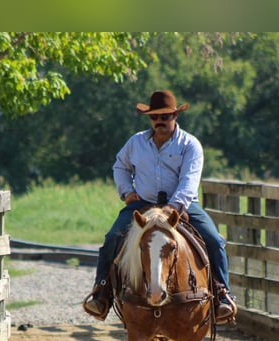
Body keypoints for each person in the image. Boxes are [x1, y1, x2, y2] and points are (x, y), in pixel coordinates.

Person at [82, 90, 237, 323]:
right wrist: (127, 192)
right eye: (154, 117)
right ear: (149, 119)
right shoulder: (135, 142)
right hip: (143, 203)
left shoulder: (190, 145)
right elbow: (120, 167)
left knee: (214, 240)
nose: (159, 121)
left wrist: (173, 207)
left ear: (175, 115)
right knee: (112, 237)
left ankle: (222, 294)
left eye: (165, 116)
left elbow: (189, 180)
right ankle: (101, 292)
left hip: (182, 205)